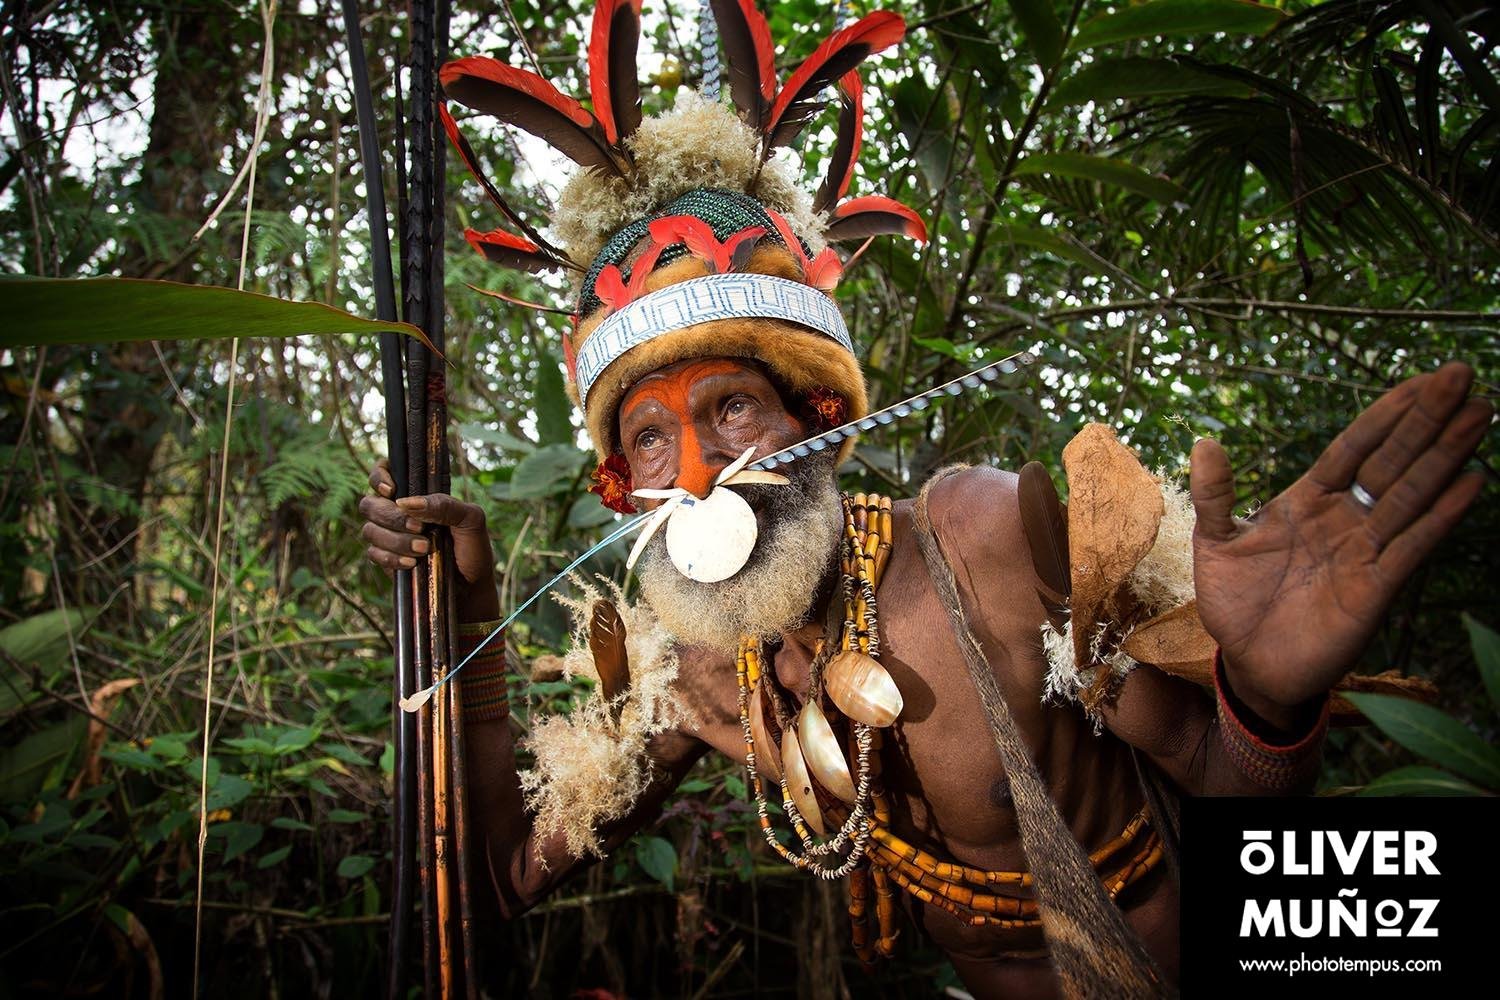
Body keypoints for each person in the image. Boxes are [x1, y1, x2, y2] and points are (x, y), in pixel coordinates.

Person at [359, 4, 1492, 995]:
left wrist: (1271, 707)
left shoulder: (979, 543)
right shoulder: (694, 673)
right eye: (649, 436)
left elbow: (1224, 785)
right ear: (622, 484)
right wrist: (464, 624)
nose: (696, 470)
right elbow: (496, 878)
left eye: (733, 410)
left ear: (814, 416)